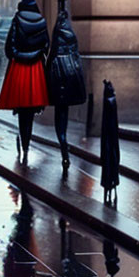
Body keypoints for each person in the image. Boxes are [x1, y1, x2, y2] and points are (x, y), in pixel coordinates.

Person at [0, 0, 50, 162]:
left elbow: (8, 48)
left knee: (21, 109)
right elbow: (46, 46)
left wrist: (18, 55)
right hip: (35, 70)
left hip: (19, 68)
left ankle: (23, 142)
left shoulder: (17, 20)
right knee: (31, 110)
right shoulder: (42, 22)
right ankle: (27, 140)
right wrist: (37, 56)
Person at [46, 9, 87, 174]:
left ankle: (63, 146)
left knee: (59, 121)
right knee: (64, 115)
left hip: (58, 83)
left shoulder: (56, 39)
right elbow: (76, 58)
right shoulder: (72, 38)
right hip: (69, 82)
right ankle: (64, 147)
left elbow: (51, 57)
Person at [101, 79, 120, 205]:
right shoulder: (113, 101)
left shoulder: (107, 102)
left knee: (108, 162)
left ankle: (108, 186)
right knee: (112, 160)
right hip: (113, 138)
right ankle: (112, 186)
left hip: (108, 137)